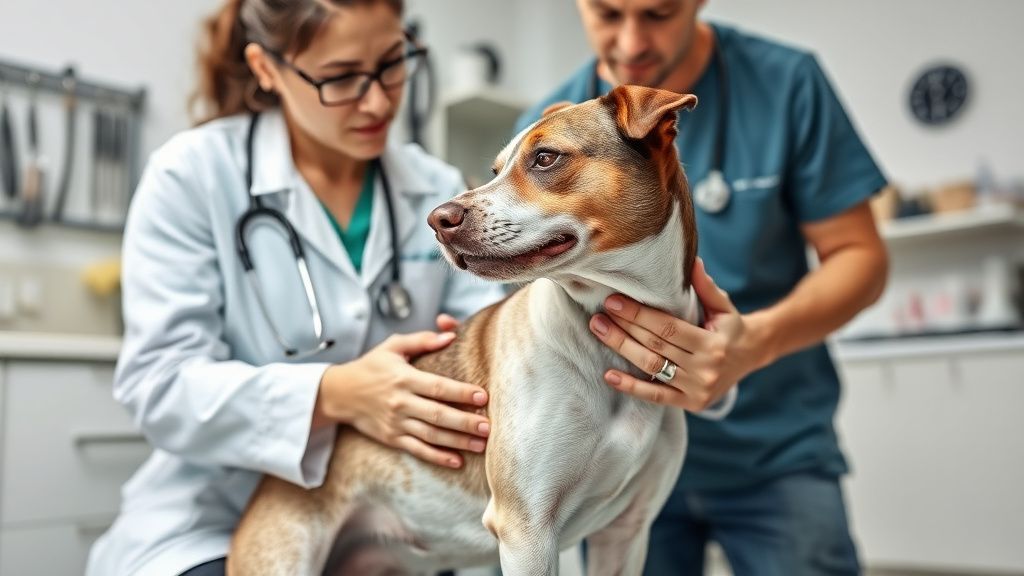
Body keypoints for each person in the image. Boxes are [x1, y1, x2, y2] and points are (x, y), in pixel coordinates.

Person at [86, 1, 504, 574]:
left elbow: (489, 347)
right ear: (265, 68)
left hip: (395, 521)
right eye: (339, 79)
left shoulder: (434, 188)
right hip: (213, 515)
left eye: (392, 63)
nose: (379, 100)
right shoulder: (193, 174)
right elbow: (158, 385)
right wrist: (336, 393)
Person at [515, 1, 889, 574]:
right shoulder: (552, 126)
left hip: (774, 447)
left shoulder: (785, 84)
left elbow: (860, 257)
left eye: (658, 14)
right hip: (613, 460)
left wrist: (753, 344)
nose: (633, 42)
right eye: (607, 15)